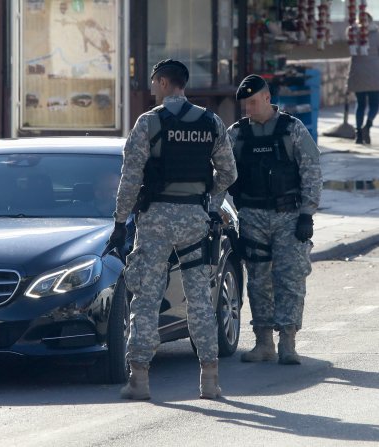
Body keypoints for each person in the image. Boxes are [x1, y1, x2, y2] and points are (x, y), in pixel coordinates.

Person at [110, 59, 237, 400]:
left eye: (154, 82)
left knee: (147, 298)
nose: (152, 88)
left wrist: (120, 222)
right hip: (194, 221)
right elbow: (228, 174)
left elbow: (130, 177)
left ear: (165, 83)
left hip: (154, 223)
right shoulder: (211, 122)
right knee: (199, 300)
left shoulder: (149, 123)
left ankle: (139, 379)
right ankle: (210, 380)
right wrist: (207, 202)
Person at [228, 74, 321, 366]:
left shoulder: (292, 129)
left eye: (253, 102)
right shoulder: (237, 133)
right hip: (252, 215)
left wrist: (307, 212)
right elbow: (222, 169)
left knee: (290, 277)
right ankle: (264, 342)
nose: (249, 109)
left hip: (288, 215)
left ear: (267, 99)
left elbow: (311, 170)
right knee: (257, 279)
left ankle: (288, 342)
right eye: (245, 104)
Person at [347, 13, 379, 145]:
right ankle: (368, 126)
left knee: (360, 104)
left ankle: (358, 134)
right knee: (375, 104)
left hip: (357, 72)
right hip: (374, 73)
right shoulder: (377, 34)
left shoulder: (352, 33)